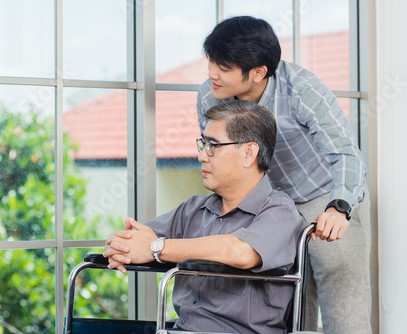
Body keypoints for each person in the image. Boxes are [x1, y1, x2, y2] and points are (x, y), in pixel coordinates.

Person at [196, 16, 371, 334]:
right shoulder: (210, 97)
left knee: (344, 309)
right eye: (211, 62)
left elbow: (345, 153)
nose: (211, 74)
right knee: (288, 308)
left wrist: (340, 206)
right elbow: (221, 158)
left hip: (325, 195)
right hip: (272, 205)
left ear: (258, 72)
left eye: (223, 67)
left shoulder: (302, 90)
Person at [104, 100, 308, 334]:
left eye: (212, 146)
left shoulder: (281, 211)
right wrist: (121, 243)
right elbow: (133, 240)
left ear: (249, 153)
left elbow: (239, 252)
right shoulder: (193, 209)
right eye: (202, 144)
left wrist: (156, 247)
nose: (201, 155)